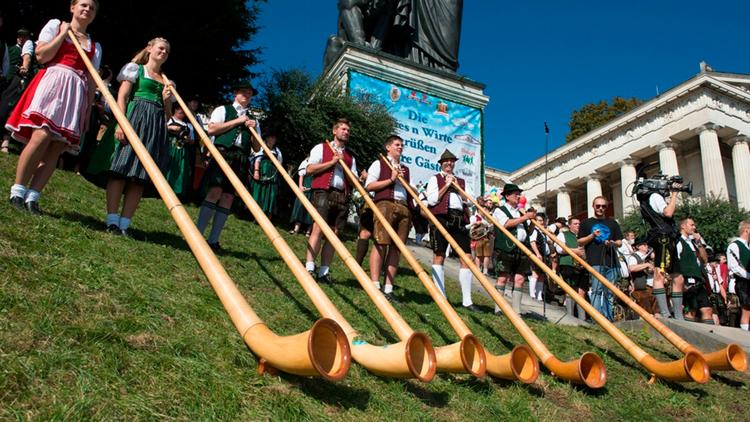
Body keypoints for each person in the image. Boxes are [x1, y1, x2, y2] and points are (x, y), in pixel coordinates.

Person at [6, 1, 101, 214]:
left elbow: (92, 79)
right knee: (40, 136)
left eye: (92, 8)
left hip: (76, 92)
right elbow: (41, 56)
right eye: (83, 5)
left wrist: (86, 109)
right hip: (53, 83)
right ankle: (17, 190)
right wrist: (63, 34)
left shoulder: (94, 46)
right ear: (72, 7)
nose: (87, 10)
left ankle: (33, 196)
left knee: (57, 147)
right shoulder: (56, 26)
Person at [86, 37, 172, 236]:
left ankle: (125, 225)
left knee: (140, 177)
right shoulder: (135, 69)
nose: (163, 53)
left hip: (155, 127)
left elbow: (168, 115)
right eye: (161, 49)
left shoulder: (167, 81)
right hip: (134, 119)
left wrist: (167, 101)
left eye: (167, 51)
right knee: (120, 170)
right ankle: (112, 220)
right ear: (149, 48)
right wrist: (121, 124)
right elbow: (122, 97)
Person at [194, 82, 260, 250]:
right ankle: (197, 235)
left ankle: (213, 240)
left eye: (250, 93)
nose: (247, 95)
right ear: (235, 93)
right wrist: (238, 121)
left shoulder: (254, 119)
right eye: (243, 92)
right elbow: (212, 129)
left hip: (241, 158)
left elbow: (257, 148)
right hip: (223, 153)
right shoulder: (223, 110)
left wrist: (253, 131)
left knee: (228, 197)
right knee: (215, 191)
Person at [304, 118, 357, 283]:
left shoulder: (350, 157)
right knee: (318, 228)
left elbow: (354, 180)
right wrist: (332, 162)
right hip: (323, 191)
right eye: (343, 129)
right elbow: (310, 169)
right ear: (335, 131)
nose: (346, 132)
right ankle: (309, 266)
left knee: (334, 233)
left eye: (348, 130)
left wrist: (345, 167)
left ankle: (324, 271)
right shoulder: (321, 148)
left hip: (342, 195)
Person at [426, 149, 476, 311]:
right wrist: (447, 185)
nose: (449, 163)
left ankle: (467, 301)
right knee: (439, 254)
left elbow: (471, 201)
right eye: (446, 161)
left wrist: (458, 189)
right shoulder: (435, 178)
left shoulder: (461, 181)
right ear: (441, 164)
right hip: (441, 217)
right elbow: (432, 200)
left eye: (452, 161)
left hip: (459, 219)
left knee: (467, 257)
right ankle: (441, 296)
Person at [365, 135, 411, 302]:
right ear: (388, 147)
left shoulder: (406, 169)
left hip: (403, 206)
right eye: (397, 145)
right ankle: (375, 284)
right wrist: (391, 179)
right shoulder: (379, 163)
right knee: (381, 242)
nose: (400, 147)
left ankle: (389, 288)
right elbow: (369, 186)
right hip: (385, 204)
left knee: (396, 248)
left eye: (402, 145)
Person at [636, 179, 681, 319]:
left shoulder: (649, 198)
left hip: (667, 237)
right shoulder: (654, 196)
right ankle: (665, 312)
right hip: (663, 237)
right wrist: (674, 196)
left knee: (677, 276)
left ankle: (678, 314)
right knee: (659, 273)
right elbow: (668, 212)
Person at [578, 196, 623, 322]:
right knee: (596, 290)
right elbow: (580, 241)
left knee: (610, 292)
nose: (600, 208)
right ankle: (596, 319)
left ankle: (609, 318)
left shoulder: (613, 223)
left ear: (606, 208)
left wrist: (613, 243)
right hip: (595, 260)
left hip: (612, 261)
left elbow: (620, 242)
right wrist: (592, 235)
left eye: (603, 206)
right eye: (598, 206)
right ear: (593, 206)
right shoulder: (586, 223)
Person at [493, 183, 535, 314]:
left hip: (522, 248)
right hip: (506, 248)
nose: (518, 196)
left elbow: (527, 230)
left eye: (519, 194)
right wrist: (525, 217)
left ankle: (517, 310)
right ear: (507, 196)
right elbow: (506, 224)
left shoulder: (520, 211)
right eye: (515, 194)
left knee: (520, 279)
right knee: (502, 277)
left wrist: (532, 222)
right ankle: (499, 308)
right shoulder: (500, 210)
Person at [0, 28, 36, 154]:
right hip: (4, 80)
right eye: (19, 35)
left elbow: (26, 62)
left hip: (15, 84)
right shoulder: (8, 48)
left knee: (8, 110)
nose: (21, 38)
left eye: (24, 36)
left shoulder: (29, 49)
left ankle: (5, 140)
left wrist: (24, 69)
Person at [673, 218, 713, 324]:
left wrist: (699, 243)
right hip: (687, 280)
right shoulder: (678, 241)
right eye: (692, 225)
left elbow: (704, 259)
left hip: (699, 280)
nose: (694, 228)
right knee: (691, 310)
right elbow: (675, 261)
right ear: (683, 226)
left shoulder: (693, 242)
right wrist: (680, 282)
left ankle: (711, 335)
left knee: (707, 309)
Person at [556, 217, 588, 321]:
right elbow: (559, 249)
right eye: (575, 223)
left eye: (579, 223)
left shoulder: (583, 237)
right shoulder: (563, 235)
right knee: (570, 290)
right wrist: (575, 251)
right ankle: (570, 317)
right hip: (568, 264)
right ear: (569, 225)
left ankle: (582, 319)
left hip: (583, 266)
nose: (578, 225)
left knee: (582, 292)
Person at [165, 103, 195, 199]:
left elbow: (192, 141)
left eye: (183, 109)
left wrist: (188, 139)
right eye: (179, 108)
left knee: (180, 170)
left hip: (182, 150)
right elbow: (160, 128)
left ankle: (176, 191)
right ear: (175, 109)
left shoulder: (189, 125)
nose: (181, 111)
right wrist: (170, 128)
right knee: (167, 167)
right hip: (169, 148)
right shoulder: (169, 120)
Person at [250, 133, 282, 218]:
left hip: (272, 174)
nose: (273, 139)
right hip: (262, 171)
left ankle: (268, 215)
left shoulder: (277, 150)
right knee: (259, 192)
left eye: (274, 138)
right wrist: (256, 171)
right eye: (271, 137)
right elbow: (257, 160)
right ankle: (255, 215)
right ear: (267, 138)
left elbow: (280, 163)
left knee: (271, 193)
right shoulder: (261, 147)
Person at [726, 220, 750, 331]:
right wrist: (748, 275)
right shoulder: (734, 245)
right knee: (747, 311)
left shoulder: (748, 246)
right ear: (747, 230)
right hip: (743, 282)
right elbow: (734, 267)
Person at [627, 237, 658, 317]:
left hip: (654, 286)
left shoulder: (650, 257)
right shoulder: (634, 257)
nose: (646, 246)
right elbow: (632, 268)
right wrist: (646, 265)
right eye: (644, 245)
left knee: (660, 295)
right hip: (641, 288)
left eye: (646, 245)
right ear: (638, 246)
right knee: (644, 297)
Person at [528, 213, 550, 302]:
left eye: (542, 221)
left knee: (541, 275)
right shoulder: (535, 230)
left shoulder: (542, 231)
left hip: (544, 254)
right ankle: (532, 293)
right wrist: (537, 253)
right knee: (535, 273)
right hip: (538, 253)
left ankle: (539, 294)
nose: (542, 222)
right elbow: (532, 242)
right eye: (540, 221)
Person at [289, 156, 313, 236]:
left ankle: (308, 231)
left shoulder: (320, 163)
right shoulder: (306, 162)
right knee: (300, 208)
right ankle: (296, 229)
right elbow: (301, 175)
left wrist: (312, 188)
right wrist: (300, 187)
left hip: (313, 191)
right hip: (304, 189)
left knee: (312, 211)